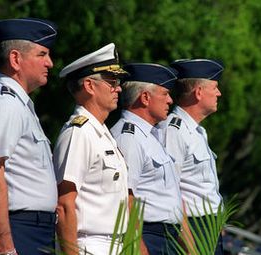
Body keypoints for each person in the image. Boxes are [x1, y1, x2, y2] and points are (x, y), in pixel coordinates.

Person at [0, 18, 58, 255]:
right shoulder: (4, 104)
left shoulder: (18, 104)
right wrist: (6, 248)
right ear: (15, 59)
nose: (50, 62)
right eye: (42, 54)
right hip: (17, 231)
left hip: (32, 231)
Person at [53, 43, 129, 255]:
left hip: (112, 245)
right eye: (112, 81)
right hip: (88, 245)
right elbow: (65, 204)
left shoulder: (102, 133)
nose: (119, 88)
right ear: (89, 85)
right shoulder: (79, 133)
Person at [110, 63, 183, 255]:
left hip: (166, 237)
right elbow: (125, 197)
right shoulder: (128, 136)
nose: (170, 100)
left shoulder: (150, 136)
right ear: (145, 97)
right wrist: (138, 246)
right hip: (147, 236)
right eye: (165, 94)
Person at [163, 59, 225, 255]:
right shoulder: (174, 131)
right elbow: (171, 193)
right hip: (193, 228)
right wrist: (189, 245)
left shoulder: (198, 131)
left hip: (208, 227)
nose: (219, 93)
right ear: (198, 92)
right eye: (214, 88)